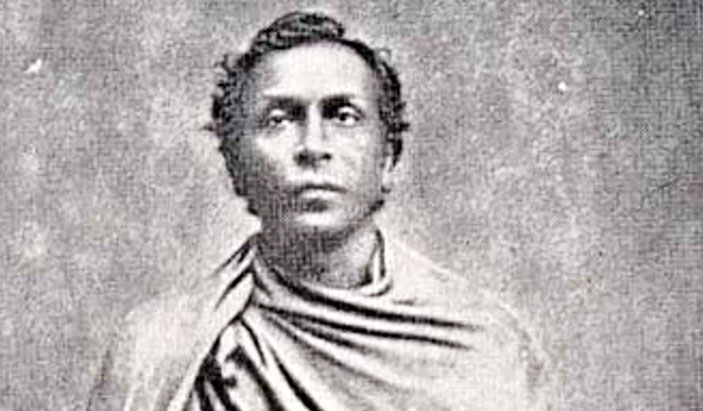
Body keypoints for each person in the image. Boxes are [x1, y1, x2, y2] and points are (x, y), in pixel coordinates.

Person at [88, 11, 552, 411]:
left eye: (343, 116)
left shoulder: (485, 349)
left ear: (388, 159)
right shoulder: (159, 349)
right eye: (279, 120)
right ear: (235, 165)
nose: (313, 146)